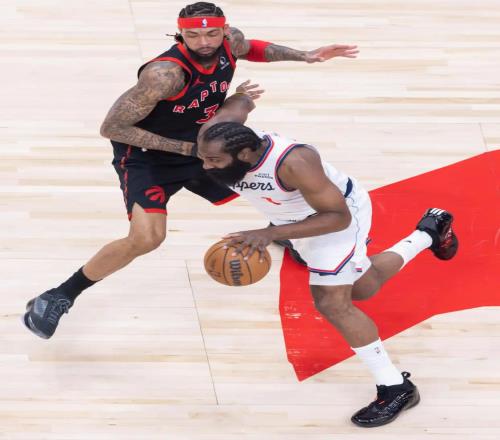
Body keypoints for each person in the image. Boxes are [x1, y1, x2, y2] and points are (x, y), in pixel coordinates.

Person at [23, 2, 359, 339]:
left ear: (224, 31)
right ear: (180, 34)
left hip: (203, 145)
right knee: (146, 238)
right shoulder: (164, 75)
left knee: (269, 178)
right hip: (149, 155)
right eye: (193, 36)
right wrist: (188, 149)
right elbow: (112, 128)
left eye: (212, 34)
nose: (204, 42)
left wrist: (304, 55)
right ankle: (59, 295)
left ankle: (280, 232)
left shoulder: (231, 42)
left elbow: (252, 48)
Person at [190, 90, 458, 427]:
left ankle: (396, 387)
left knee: (332, 302)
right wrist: (242, 94)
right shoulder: (216, 135)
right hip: (292, 219)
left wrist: (269, 234)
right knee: (362, 287)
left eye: (214, 161)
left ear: (244, 153)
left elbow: (338, 217)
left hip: (335, 217)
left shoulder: (295, 163)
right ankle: (429, 232)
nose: (206, 166)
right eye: (204, 158)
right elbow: (240, 103)